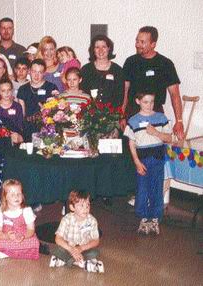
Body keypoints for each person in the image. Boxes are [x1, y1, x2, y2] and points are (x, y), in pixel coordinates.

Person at [122, 26, 184, 140]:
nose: (137, 44)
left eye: (142, 42)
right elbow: (124, 91)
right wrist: (121, 116)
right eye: (137, 41)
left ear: (153, 44)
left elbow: (175, 95)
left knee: (155, 147)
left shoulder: (165, 64)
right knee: (131, 149)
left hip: (156, 113)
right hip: (132, 113)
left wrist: (179, 121)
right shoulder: (130, 62)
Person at [124, 93, 172, 235]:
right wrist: (136, 161)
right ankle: (144, 218)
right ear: (138, 101)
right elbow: (131, 143)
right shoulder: (133, 120)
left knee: (157, 189)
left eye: (151, 102)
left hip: (157, 159)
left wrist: (156, 132)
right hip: (142, 160)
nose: (149, 105)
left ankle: (155, 218)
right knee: (142, 189)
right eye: (145, 102)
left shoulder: (161, 118)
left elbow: (169, 138)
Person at [0, 179, 40, 260]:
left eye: (19, 194)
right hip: (7, 237)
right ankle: (24, 252)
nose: (16, 197)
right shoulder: (0, 210)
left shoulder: (27, 210)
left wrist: (23, 236)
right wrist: (7, 236)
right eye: (12, 194)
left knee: (34, 242)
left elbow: (31, 230)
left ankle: (1, 254)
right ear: (5, 197)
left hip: (24, 236)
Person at [50, 190, 103, 273]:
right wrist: (71, 250)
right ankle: (83, 263)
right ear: (72, 207)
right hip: (68, 248)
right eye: (81, 206)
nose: (85, 209)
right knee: (56, 249)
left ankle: (65, 261)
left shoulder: (92, 221)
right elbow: (58, 239)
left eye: (88, 205)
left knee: (95, 252)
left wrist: (81, 248)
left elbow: (96, 241)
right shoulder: (66, 219)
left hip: (83, 249)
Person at [17, 59, 58, 139]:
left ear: (44, 73)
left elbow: (55, 112)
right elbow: (22, 114)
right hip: (28, 128)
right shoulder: (22, 89)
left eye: (40, 72)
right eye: (34, 71)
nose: (36, 75)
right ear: (29, 71)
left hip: (46, 128)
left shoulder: (51, 87)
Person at [80, 35, 124, 108]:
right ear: (93, 50)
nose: (101, 50)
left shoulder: (117, 70)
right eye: (97, 47)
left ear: (109, 48)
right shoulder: (86, 69)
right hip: (89, 114)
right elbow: (82, 93)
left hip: (112, 114)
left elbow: (120, 96)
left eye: (104, 47)